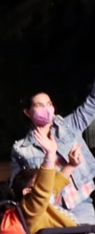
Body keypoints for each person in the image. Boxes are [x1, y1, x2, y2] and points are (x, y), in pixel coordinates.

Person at [11, 84, 95, 224]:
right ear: (27, 112)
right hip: (50, 210)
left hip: (80, 202)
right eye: (39, 105)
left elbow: (91, 104)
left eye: (49, 104)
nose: (46, 109)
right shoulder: (21, 149)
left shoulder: (69, 125)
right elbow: (17, 186)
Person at [14, 130, 95, 234]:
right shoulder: (31, 208)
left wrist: (72, 164)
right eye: (38, 184)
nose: (45, 186)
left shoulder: (42, 205)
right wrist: (50, 157)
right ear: (27, 192)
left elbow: (54, 183)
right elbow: (43, 191)